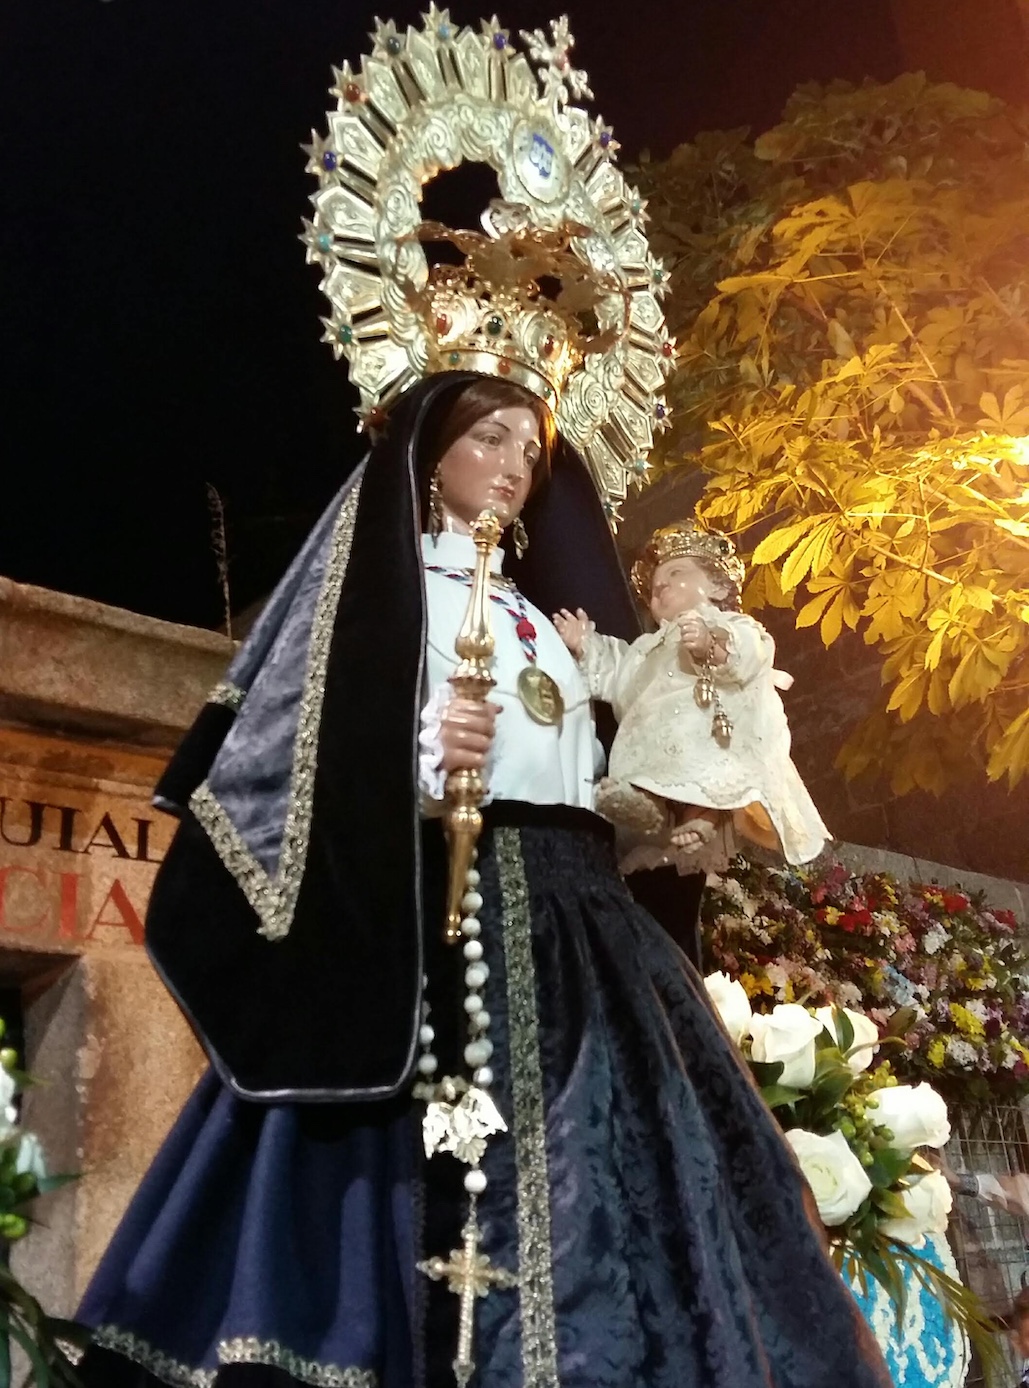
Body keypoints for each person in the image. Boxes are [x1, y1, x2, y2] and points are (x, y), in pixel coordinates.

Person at [70, 16, 890, 1388]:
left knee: (643, 1219)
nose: (511, 464)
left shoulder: (534, 619)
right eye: (487, 438)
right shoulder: (387, 590)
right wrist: (411, 754)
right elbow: (298, 747)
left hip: (582, 931)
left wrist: (672, 813)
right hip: (435, 923)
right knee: (414, 1204)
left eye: (528, 445)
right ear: (435, 443)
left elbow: (601, 761)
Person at [554, 520, 830, 878]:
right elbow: (616, 669)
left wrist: (711, 644)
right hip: (651, 737)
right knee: (647, 768)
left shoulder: (729, 622)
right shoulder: (646, 647)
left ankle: (701, 817)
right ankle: (644, 804)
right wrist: (585, 644)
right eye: (653, 589)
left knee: (705, 764)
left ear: (715, 585)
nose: (661, 586)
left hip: (705, 725)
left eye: (676, 572)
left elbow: (752, 652)